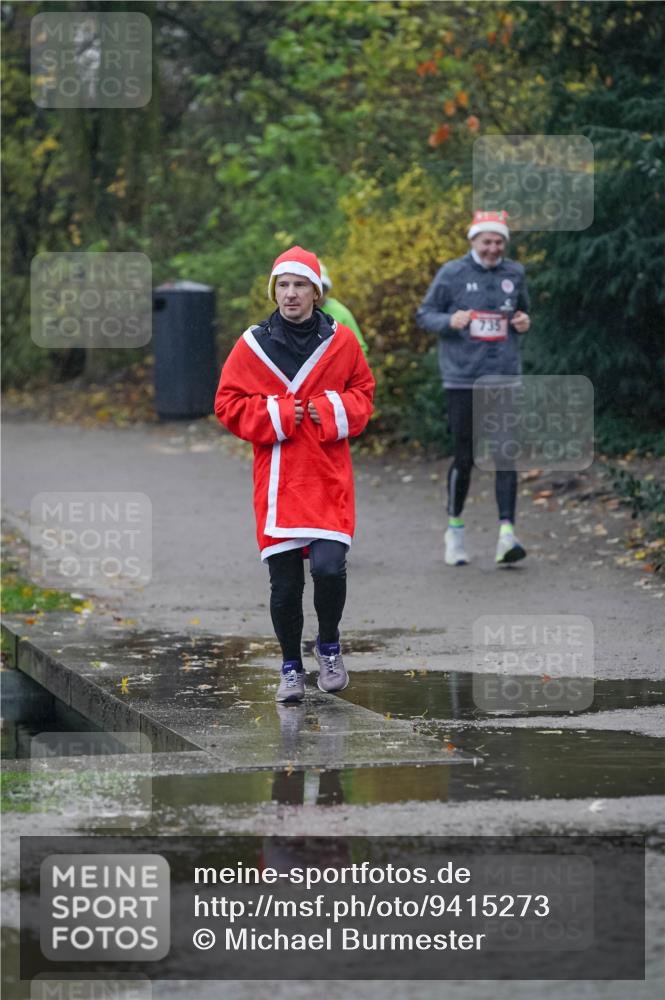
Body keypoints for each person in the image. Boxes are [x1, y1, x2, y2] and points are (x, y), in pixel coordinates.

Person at [215, 246, 375, 703]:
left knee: (328, 568)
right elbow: (227, 404)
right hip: (278, 481)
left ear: (316, 292)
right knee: (285, 582)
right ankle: (290, 666)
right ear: (274, 291)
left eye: (300, 285)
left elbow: (363, 392)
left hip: (328, 475)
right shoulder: (252, 345)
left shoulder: (340, 341)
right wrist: (283, 413)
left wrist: (328, 410)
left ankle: (329, 643)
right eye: (282, 285)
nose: (290, 294)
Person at [416, 210, 531, 567]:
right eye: (487, 241)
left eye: (499, 242)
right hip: (462, 377)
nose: (494, 248)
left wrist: (524, 322)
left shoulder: (515, 273)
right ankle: (455, 532)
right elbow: (424, 315)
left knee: (505, 455)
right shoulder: (452, 273)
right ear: (473, 241)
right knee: (464, 456)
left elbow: (523, 313)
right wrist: (450, 320)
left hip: (503, 375)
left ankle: (507, 535)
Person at [319, 263, 370, 357]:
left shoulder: (341, 313)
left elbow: (359, 348)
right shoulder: (298, 313)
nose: (318, 293)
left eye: (321, 287)